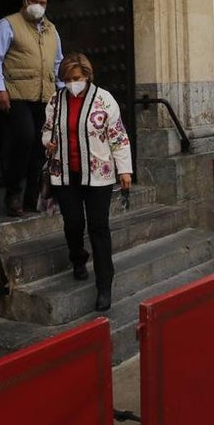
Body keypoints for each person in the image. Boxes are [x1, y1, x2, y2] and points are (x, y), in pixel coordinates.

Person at [42, 53, 133, 311]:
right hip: (65, 174)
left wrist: (124, 170)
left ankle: (104, 285)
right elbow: (47, 130)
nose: (73, 83)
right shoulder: (55, 101)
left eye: (77, 78)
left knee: (99, 228)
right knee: (72, 222)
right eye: (68, 79)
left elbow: (118, 137)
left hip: (98, 175)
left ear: (88, 76)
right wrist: (46, 142)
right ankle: (78, 258)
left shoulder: (104, 100)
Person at [0, 0, 63, 217]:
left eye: (43, 3)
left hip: (44, 95)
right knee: (23, 139)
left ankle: (33, 195)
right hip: (17, 93)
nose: (38, 6)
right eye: (34, 1)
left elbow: (58, 62)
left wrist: (62, 92)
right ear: (25, 1)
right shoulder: (8, 24)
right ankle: (13, 194)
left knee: (42, 145)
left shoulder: (51, 30)